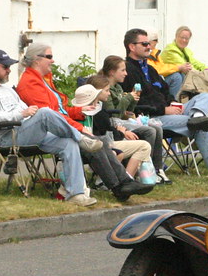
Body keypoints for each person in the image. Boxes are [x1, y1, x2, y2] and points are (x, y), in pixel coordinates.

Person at [16, 43, 153, 201]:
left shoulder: (43, 79)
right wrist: (79, 128)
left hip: (58, 127)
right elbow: (50, 116)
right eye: (49, 57)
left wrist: (79, 111)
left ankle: (123, 183)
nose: (53, 60)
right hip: (47, 132)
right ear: (36, 60)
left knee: (99, 141)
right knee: (94, 142)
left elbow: (60, 111)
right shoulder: (30, 83)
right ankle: (118, 186)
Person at [0, 49, 101, 207]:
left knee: (68, 143)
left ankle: (76, 194)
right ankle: (81, 137)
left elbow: (24, 109)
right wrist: (22, 114)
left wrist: (29, 115)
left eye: (9, 67)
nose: (9, 70)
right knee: (45, 112)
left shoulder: (7, 89)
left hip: (24, 131)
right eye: (5, 67)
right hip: (5, 138)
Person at [122, 28, 208, 189]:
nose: (149, 46)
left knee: (205, 97)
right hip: (150, 118)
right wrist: (164, 110)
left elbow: (166, 91)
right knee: (201, 126)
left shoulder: (150, 69)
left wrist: (172, 103)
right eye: (144, 44)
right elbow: (136, 104)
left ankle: (197, 116)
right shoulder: (127, 70)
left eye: (149, 43)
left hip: (170, 111)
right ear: (131, 46)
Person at [97, 55, 170, 183]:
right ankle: (144, 170)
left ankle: (157, 169)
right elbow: (113, 114)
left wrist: (133, 100)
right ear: (112, 72)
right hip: (114, 123)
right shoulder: (106, 89)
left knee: (157, 128)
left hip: (122, 121)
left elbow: (126, 113)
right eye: (123, 70)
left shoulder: (118, 88)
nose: (126, 73)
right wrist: (128, 98)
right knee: (150, 131)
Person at [73, 79, 152, 179]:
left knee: (137, 138)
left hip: (97, 144)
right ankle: (126, 179)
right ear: (97, 92)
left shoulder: (80, 111)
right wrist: (122, 132)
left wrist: (122, 131)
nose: (109, 93)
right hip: (100, 145)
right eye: (107, 90)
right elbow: (108, 135)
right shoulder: (96, 112)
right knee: (144, 146)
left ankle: (122, 179)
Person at [158, 26, 207, 98]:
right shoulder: (170, 50)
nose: (184, 40)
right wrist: (202, 75)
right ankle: (174, 100)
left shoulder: (186, 50)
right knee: (178, 76)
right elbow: (187, 67)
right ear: (176, 36)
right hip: (163, 81)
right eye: (182, 37)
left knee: (184, 76)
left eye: (186, 38)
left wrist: (206, 69)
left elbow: (194, 62)